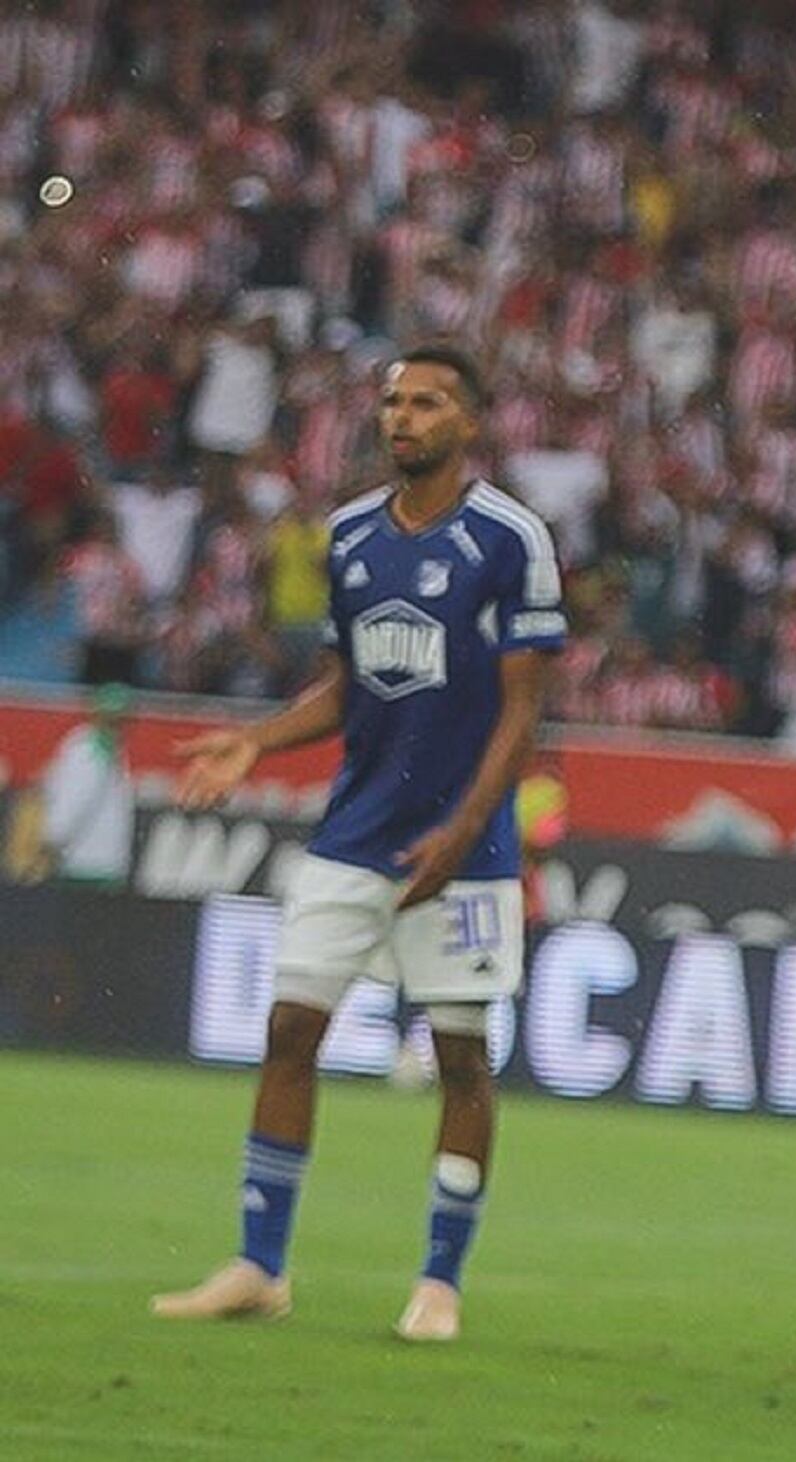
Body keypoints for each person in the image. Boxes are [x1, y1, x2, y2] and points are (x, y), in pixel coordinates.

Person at [150, 344, 565, 1343]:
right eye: (391, 401)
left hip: (461, 848)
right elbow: (346, 685)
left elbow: (524, 710)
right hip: (354, 830)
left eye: (426, 402)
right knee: (291, 1030)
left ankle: (439, 1281)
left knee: (462, 1060)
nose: (402, 417)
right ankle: (259, 1264)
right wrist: (256, 737)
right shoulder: (347, 537)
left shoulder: (511, 538)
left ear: (468, 422)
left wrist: (466, 829)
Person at [39, 681, 137, 886]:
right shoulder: (89, 749)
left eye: (121, 719)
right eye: (112, 719)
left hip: (101, 862)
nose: (118, 726)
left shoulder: (108, 749)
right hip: (86, 864)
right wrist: (53, 837)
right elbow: (73, 797)